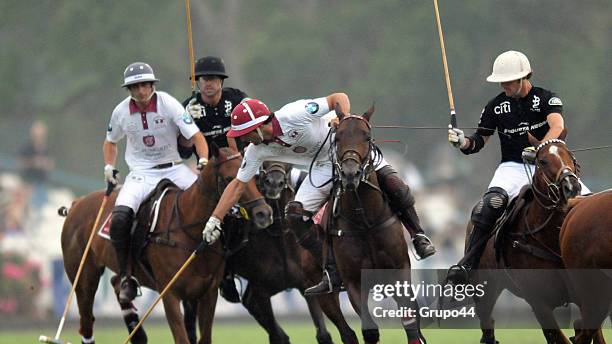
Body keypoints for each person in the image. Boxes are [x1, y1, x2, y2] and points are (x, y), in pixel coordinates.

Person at [200, 94, 436, 295]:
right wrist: (215, 219)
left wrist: (340, 116)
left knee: (395, 184)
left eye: (245, 133)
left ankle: (418, 236)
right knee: (294, 214)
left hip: (348, 151)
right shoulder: (256, 151)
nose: (243, 139)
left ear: (259, 127)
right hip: (322, 167)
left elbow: (338, 97)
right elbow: (237, 185)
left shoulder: (295, 113)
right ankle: (331, 269)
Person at [447, 50, 590, 283]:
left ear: (524, 77)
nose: (504, 85)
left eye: (508, 80)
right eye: (501, 81)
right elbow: (479, 140)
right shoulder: (495, 106)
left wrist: (540, 149)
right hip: (512, 167)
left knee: (586, 204)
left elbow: (557, 126)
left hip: (548, 164)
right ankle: (467, 266)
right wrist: (462, 141)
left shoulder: (546, 99)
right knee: (489, 206)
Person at [103, 62, 209, 303]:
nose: (141, 91)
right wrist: (109, 166)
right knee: (120, 218)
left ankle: (223, 269)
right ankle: (127, 276)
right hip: (141, 173)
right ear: (129, 89)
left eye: (144, 85)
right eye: (135, 87)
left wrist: (203, 160)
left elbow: (196, 136)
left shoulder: (168, 104)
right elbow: (110, 141)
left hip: (174, 168)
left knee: (212, 204)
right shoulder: (120, 111)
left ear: (152, 85)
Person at [179, 56, 248, 303]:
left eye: (213, 79)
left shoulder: (237, 99)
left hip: (241, 168)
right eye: (203, 79)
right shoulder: (189, 106)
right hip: (207, 176)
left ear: (221, 81)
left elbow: (256, 118)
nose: (208, 84)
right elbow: (184, 151)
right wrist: (187, 130)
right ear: (198, 82)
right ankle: (225, 274)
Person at [19, 121, 54, 209]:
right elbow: (21, 162)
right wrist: (34, 162)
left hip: (41, 184)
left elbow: (51, 164)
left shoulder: (46, 149)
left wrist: (45, 163)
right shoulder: (27, 147)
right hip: (29, 182)